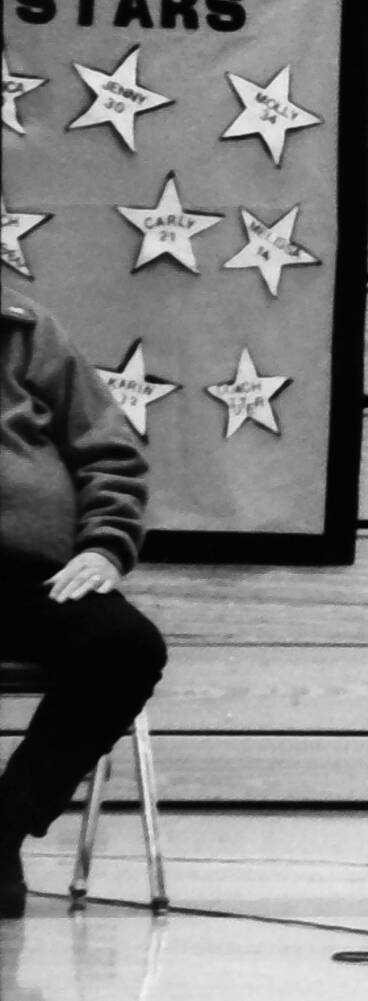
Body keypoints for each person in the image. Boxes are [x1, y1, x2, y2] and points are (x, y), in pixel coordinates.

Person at [0, 286, 167, 919]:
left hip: (31, 574)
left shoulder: (23, 327)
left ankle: (4, 827)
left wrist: (103, 547)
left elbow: (109, 451)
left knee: (124, 648)